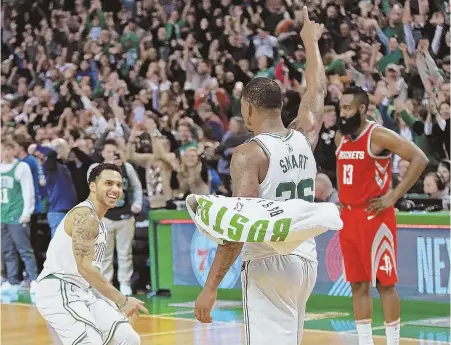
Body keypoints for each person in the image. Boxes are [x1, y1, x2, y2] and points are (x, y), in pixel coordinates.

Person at [194, 8, 327, 344]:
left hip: (268, 261)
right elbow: (317, 90)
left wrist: (210, 288)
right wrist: (311, 42)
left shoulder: (247, 154)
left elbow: (240, 228)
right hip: (306, 260)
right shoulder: (305, 135)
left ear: (249, 109)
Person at [335, 86, 429, 345]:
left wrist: (393, 196)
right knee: (357, 285)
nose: (342, 113)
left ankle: (393, 341)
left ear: (362, 109)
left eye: (347, 108)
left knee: (384, 284)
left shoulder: (378, 135)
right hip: (349, 219)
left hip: (375, 217)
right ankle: (365, 341)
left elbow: (419, 158)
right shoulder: (340, 138)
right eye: (340, 107)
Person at [35, 163, 148, 345]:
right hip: (59, 289)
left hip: (84, 292)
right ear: (93, 186)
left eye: (119, 185)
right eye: (108, 183)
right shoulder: (85, 216)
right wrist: (121, 300)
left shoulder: (100, 222)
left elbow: (92, 272)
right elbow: (84, 268)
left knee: (128, 339)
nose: (115, 189)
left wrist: (111, 301)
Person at [0, 139, 38, 294]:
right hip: (3, 216)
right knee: (7, 251)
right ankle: (12, 280)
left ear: (9, 150)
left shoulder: (21, 167)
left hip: (17, 215)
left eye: (2, 149)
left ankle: (33, 279)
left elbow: (28, 191)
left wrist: (27, 212)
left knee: (24, 250)